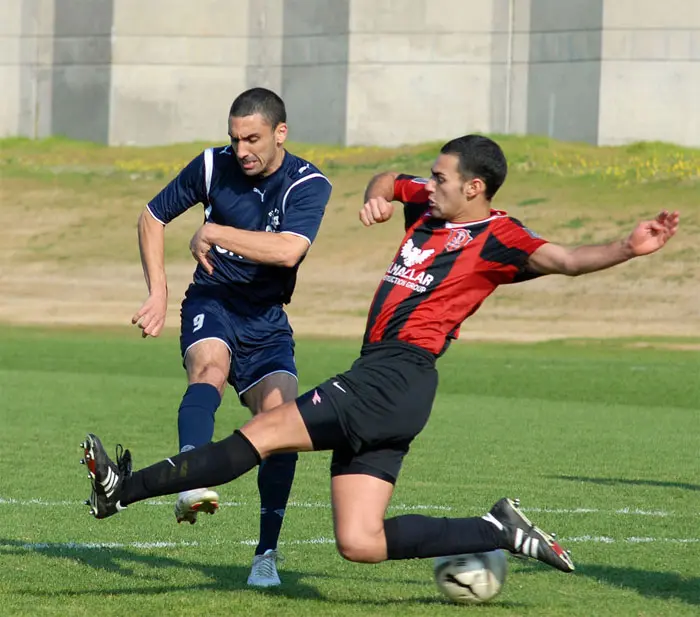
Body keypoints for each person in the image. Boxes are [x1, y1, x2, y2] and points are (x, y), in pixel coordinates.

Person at [82, 134, 679, 579]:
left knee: (260, 433)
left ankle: (122, 489)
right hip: (396, 387)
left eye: (442, 178)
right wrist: (379, 200)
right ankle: (496, 530)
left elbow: (569, 259)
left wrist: (629, 247)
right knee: (359, 539)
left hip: (391, 377)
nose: (431, 183)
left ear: (475, 188)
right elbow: (390, 178)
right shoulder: (429, 204)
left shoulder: (500, 237)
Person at [130, 87, 332, 587]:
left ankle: (265, 554)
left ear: (280, 134)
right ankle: (190, 481)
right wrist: (158, 292)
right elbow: (152, 216)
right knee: (210, 369)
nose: (241, 149)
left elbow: (288, 252)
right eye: (234, 137)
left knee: (280, 421)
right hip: (212, 302)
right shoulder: (210, 165)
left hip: (266, 318)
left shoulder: (308, 184)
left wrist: (215, 232)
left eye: (253, 138)